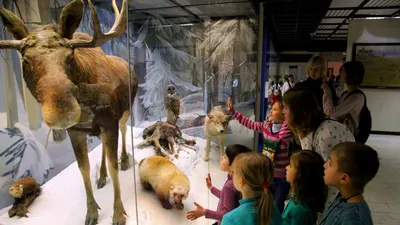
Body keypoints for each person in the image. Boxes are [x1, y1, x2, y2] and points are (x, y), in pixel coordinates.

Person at [282, 86, 354, 210]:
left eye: (286, 107)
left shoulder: (327, 134)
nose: (283, 111)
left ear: (298, 110)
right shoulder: (304, 128)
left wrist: (320, 211)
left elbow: (333, 179)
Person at [227, 97, 293, 213]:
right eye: (271, 109)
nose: (271, 111)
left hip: (280, 178)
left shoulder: (286, 130)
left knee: (277, 205)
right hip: (266, 174)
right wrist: (233, 112)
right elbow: (249, 123)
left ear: (284, 113)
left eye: (275, 109)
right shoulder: (266, 126)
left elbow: (281, 136)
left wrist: (284, 121)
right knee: (263, 201)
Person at [186, 144, 252, 225]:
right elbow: (227, 198)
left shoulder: (230, 185)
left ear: (233, 166)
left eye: (225, 157)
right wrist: (211, 188)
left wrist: (204, 212)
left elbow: (226, 214)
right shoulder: (237, 181)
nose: (221, 157)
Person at [319, 142, 379, 225]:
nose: (324, 165)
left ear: (344, 178)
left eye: (330, 163)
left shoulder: (353, 220)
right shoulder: (343, 197)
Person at [221, 152, 283, 225]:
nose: (232, 175)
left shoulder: (230, 219)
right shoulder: (272, 208)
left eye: (234, 172)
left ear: (241, 182)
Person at [282, 150, 327, 225]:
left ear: (301, 175)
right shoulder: (297, 198)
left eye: (291, 165)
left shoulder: (300, 210)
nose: (286, 167)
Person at [322, 61, 366, 135]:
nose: (340, 73)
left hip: (346, 136)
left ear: (351, 74)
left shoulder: (356, 97)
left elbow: (331, 113)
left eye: (343, 71)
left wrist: (327, 91)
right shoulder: (347, 93)